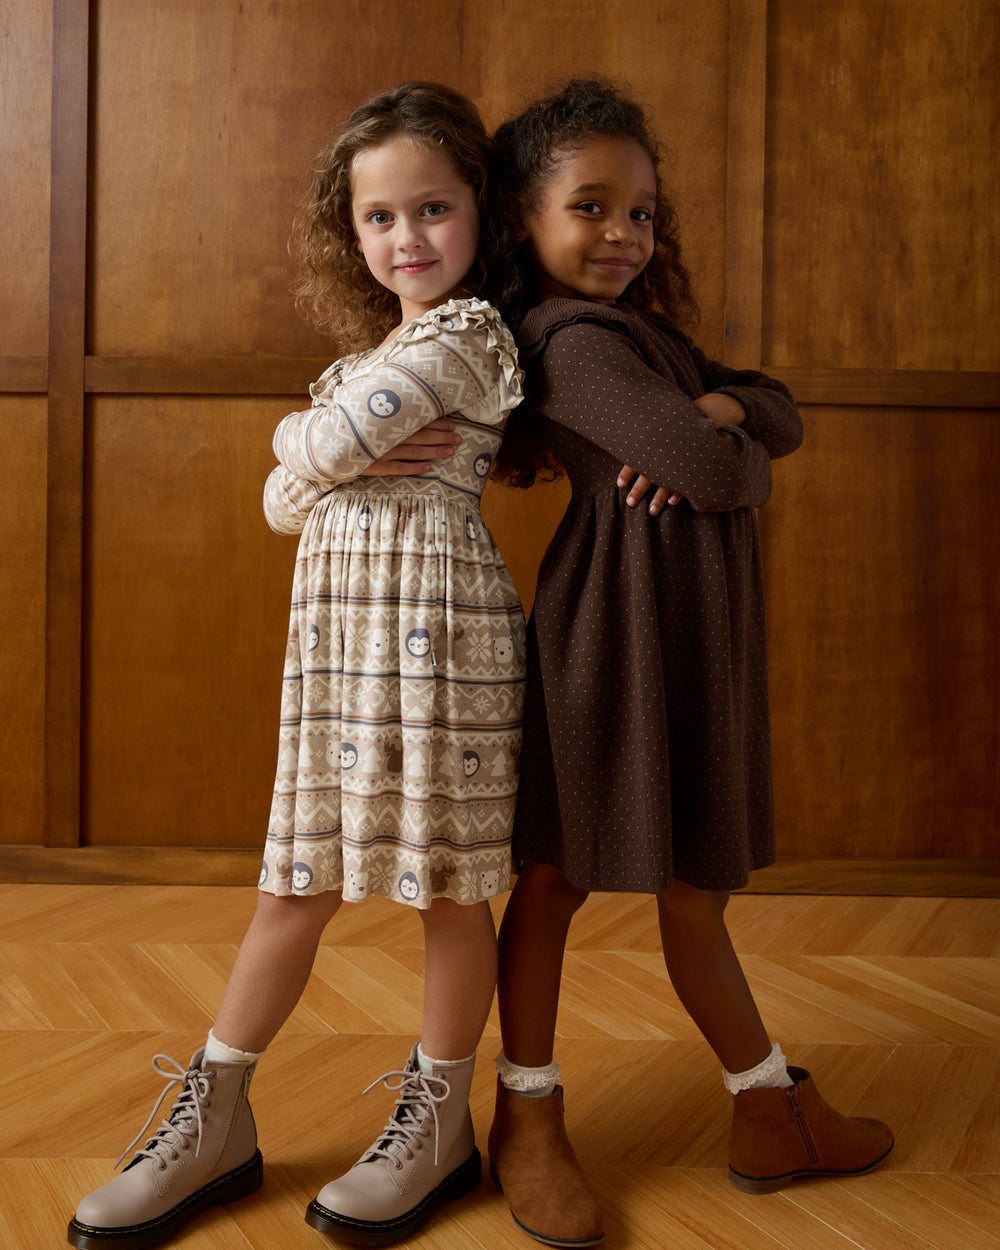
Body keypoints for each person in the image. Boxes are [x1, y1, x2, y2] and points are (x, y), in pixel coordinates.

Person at [67, 81, 526, 1250]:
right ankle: (215, 1113)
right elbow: (287, 497)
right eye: (378, 217)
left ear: (481, 212)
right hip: (335, 647)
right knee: (292, 883)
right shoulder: (381, 350)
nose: (405, 238)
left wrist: (309, 443)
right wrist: (312, 452)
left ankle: (439, 1120)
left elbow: (315, 452)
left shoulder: (466, 337)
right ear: (350, 228)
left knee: (451, 887)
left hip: (441, 642)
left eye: (430, 208)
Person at [481, 78, 892, 1248]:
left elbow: (777, 407)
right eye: (591, 207)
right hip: (607, 633)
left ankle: (768, 1105)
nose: (622, 234)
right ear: (522, 217)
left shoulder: (648, 335)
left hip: (695, 635)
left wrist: (729, 411)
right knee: (556, 875)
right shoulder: (564, 339)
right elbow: (712, 471)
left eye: (643, 213)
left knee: (695, 884)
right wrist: (723, 435)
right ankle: (527, 1109)